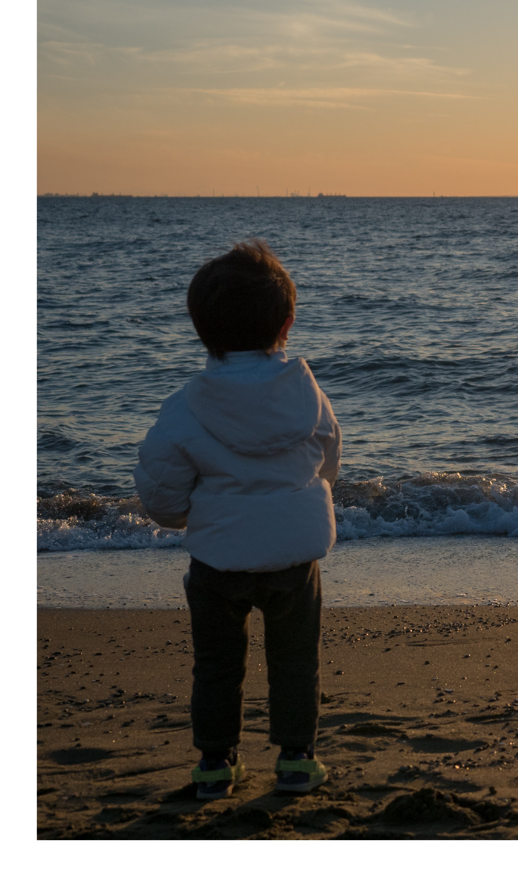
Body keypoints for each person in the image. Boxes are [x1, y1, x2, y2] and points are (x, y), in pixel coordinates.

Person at [134, 238, 341, 799]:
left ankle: (215, 763)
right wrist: (308, 490)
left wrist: (181, 517)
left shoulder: (185, 406)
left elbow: (161, 488)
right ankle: (297, 758)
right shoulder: (306, 392)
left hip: (218, 555)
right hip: (294, 553)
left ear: (202, 330)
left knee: (217, 665)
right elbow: (329, 457)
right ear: (288, 323)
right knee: (296, 660)